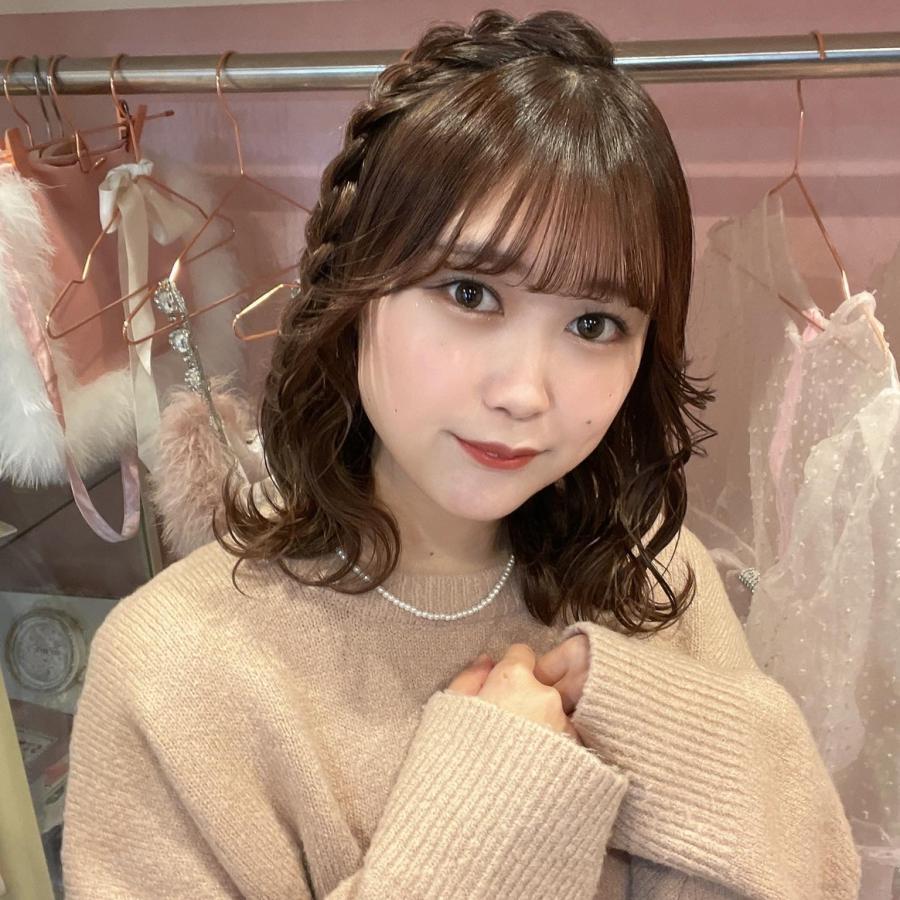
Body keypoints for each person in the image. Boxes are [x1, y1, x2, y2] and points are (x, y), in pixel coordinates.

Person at [61, 9, 861, 899]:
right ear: (356, 288)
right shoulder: (175, 674)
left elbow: (822, 874)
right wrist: (490, 809)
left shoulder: (658, 580)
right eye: (470, 293)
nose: (525, 391)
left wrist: (659, 729)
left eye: (594, 324)